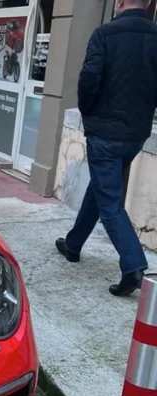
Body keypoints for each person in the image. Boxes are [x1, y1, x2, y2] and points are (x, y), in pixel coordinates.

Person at [55, 0, 157, 296]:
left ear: (119, 2)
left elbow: (88, 81)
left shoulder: (104, 35)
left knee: (110, 201)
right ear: (148, 4)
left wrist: (88, 115)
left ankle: (133, 265)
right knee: (101, 189)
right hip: (135, 136)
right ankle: (73, 245)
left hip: (104, 134)